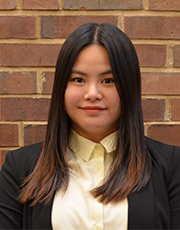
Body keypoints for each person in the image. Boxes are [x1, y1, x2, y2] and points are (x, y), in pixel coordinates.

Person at [0, 22, 180, 230]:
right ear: (61, 87)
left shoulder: (171, 167)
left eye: (108, 80)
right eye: (78, 79)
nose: (92, 94)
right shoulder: (20, 168)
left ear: (129, 87)